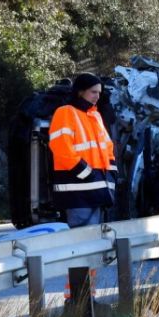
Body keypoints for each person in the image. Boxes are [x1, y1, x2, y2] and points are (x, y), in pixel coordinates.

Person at [49, 73, 116, 227]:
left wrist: (111, 173)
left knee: (95, 239)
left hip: (97, 190)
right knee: (83, 239)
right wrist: (87, 173)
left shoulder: (95, 116)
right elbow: (61, 148)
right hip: (77, 192)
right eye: (93, 92)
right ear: (80, 91)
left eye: (99, 92)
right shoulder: (65, 112)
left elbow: (108, 148)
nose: (97, 96)